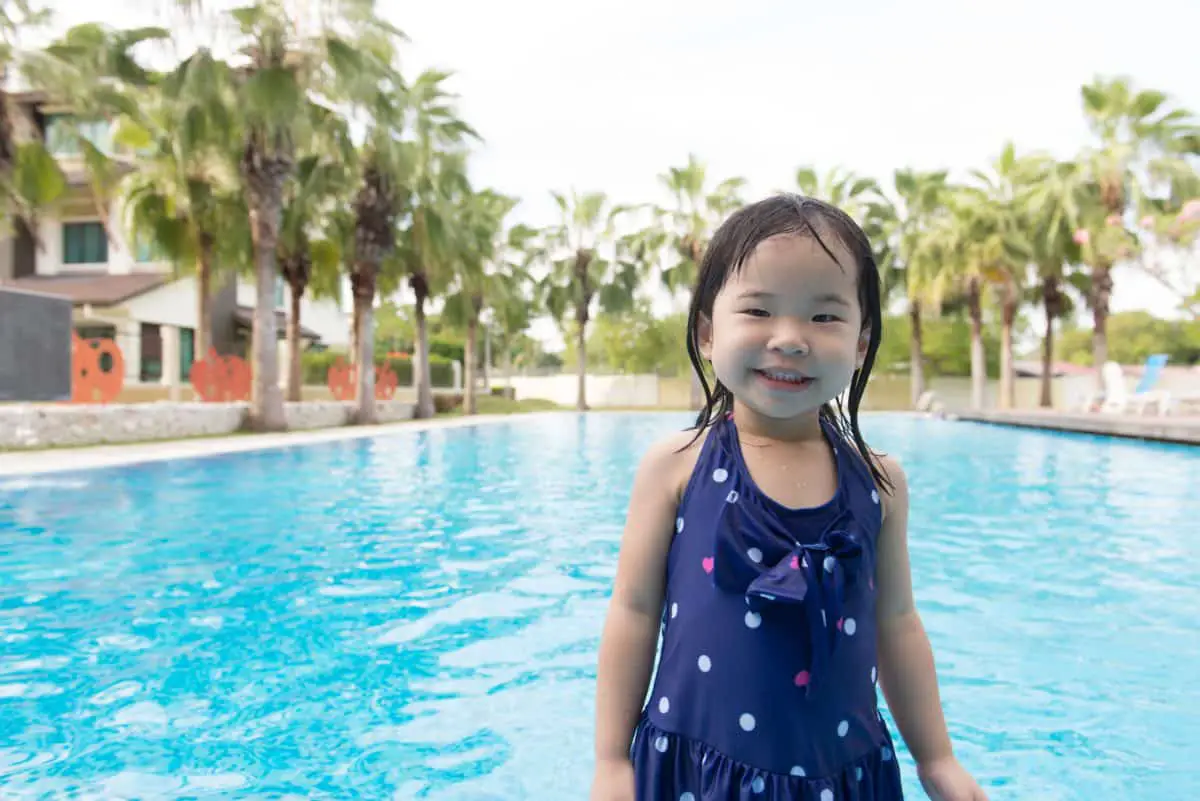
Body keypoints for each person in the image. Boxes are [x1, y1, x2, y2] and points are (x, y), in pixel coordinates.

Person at [590, 194, 987, 801]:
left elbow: (898, 624)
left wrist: (939, 760)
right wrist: (612, 761)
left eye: (825, 318)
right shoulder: (678, 466)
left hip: (842, 777)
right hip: (698, 775)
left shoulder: (879, 483)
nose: (790, 339)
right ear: (706, 331)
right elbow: (634, 612)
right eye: (758, 310)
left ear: (861, 343)